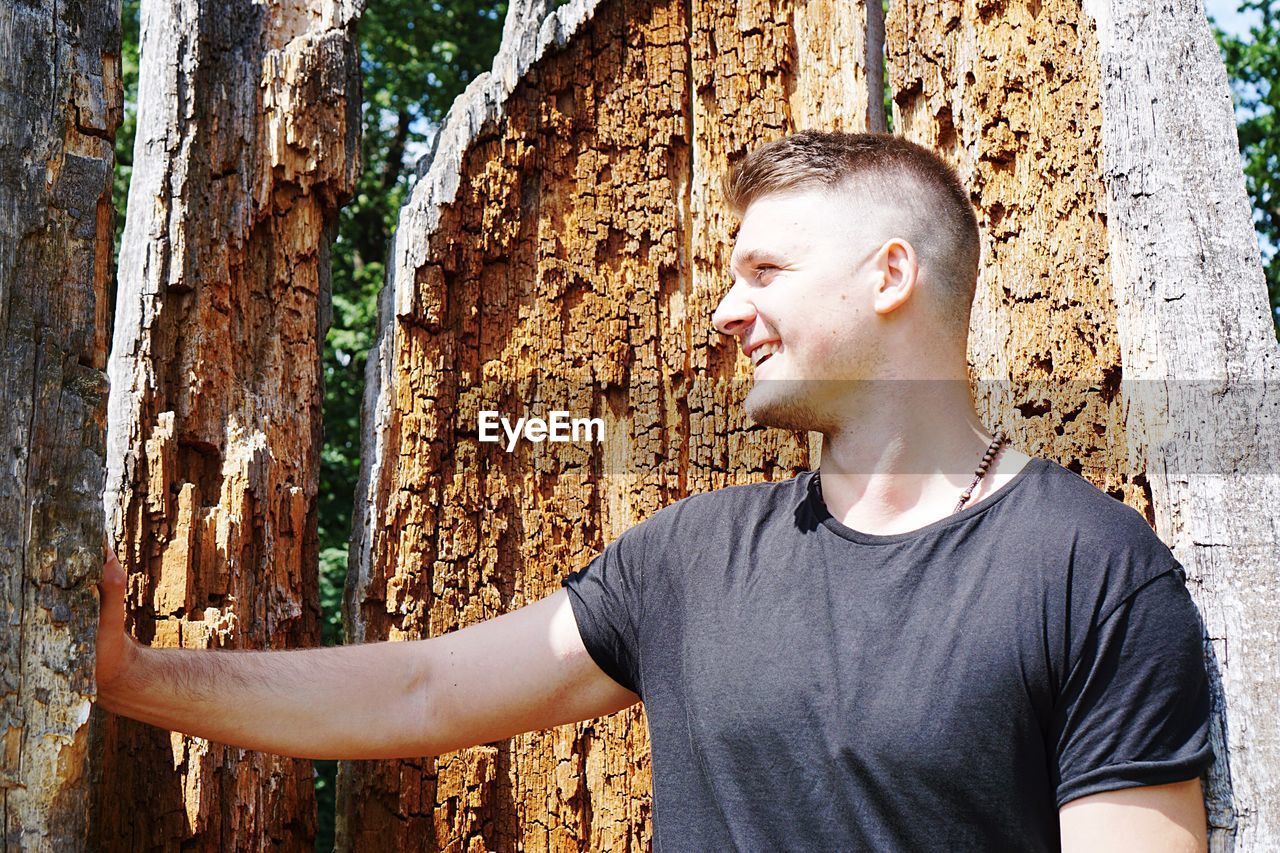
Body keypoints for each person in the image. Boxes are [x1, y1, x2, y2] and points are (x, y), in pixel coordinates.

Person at [97, 131, 1214, 851]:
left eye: (764, 271)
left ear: (889, 274)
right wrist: (130, 674)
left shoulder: (1089, 569)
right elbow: (421, 691)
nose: (726, 311)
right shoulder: (686, 561)